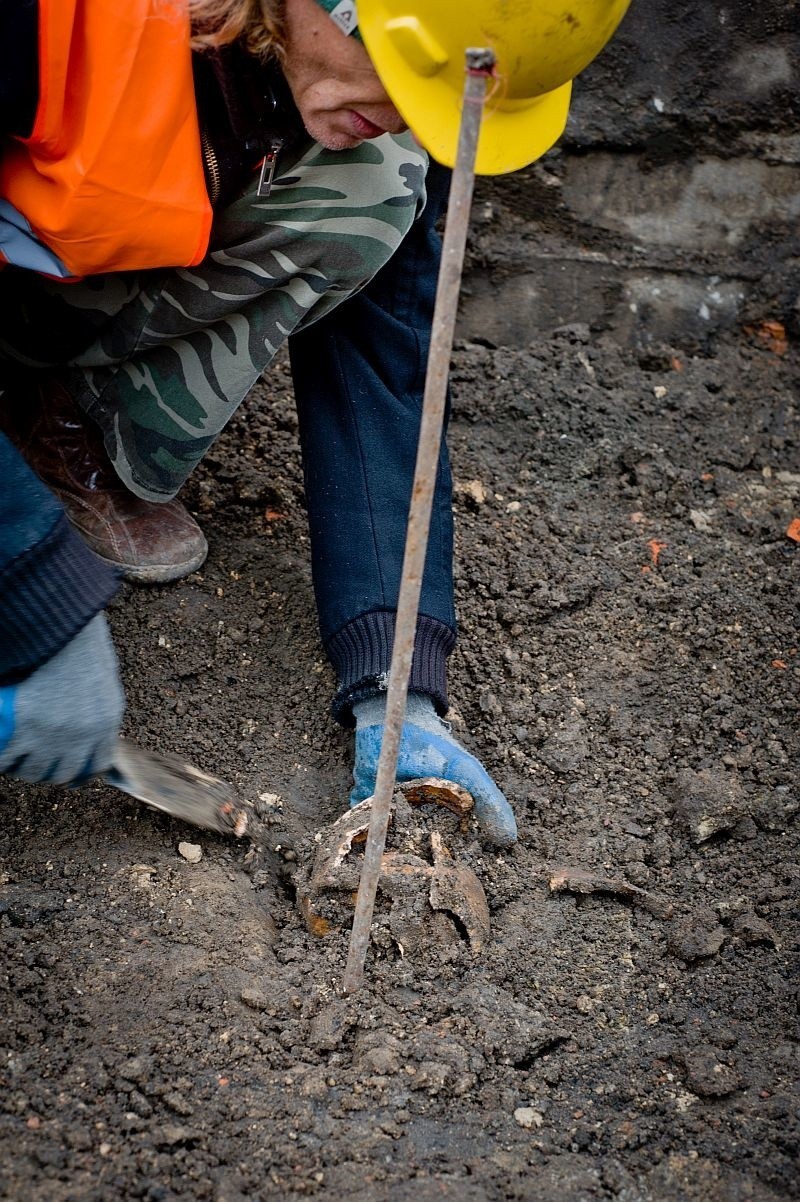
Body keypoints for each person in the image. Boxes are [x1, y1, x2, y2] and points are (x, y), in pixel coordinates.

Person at [0, 0, 630, 845]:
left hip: (57, 285)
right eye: (411, 79)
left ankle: (64, 426)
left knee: (378, 178)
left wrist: (394, 692)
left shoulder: (357, 84)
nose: (411, 118)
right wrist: (34, 593)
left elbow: (385, 352)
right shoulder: (49, 25)